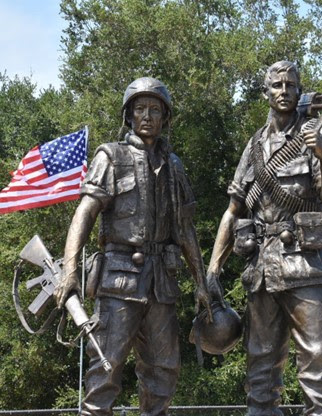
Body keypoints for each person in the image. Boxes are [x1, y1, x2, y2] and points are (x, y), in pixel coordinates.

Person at [55, 77, 212, 416]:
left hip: (162, 285)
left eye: (155, 110)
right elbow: (84, 214)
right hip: (119, 281)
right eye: (140, 108)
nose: (147, 116)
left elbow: (185, 230)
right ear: (128, 115)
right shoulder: (110, 156)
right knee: (105, 367)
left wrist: (200, 282)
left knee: (164, 371)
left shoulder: (174, 166)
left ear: (165, 117)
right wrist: (70, 272)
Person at [205, 60, 322, 416]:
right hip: (261, 273)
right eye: (277, 85)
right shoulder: (254, 146)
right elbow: (233, 210)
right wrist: (211, 272)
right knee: (260, 374)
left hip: (308, 267)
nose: (284, 91)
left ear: (300, 90)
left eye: (290, 85)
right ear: (266, 92)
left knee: (317, 368)